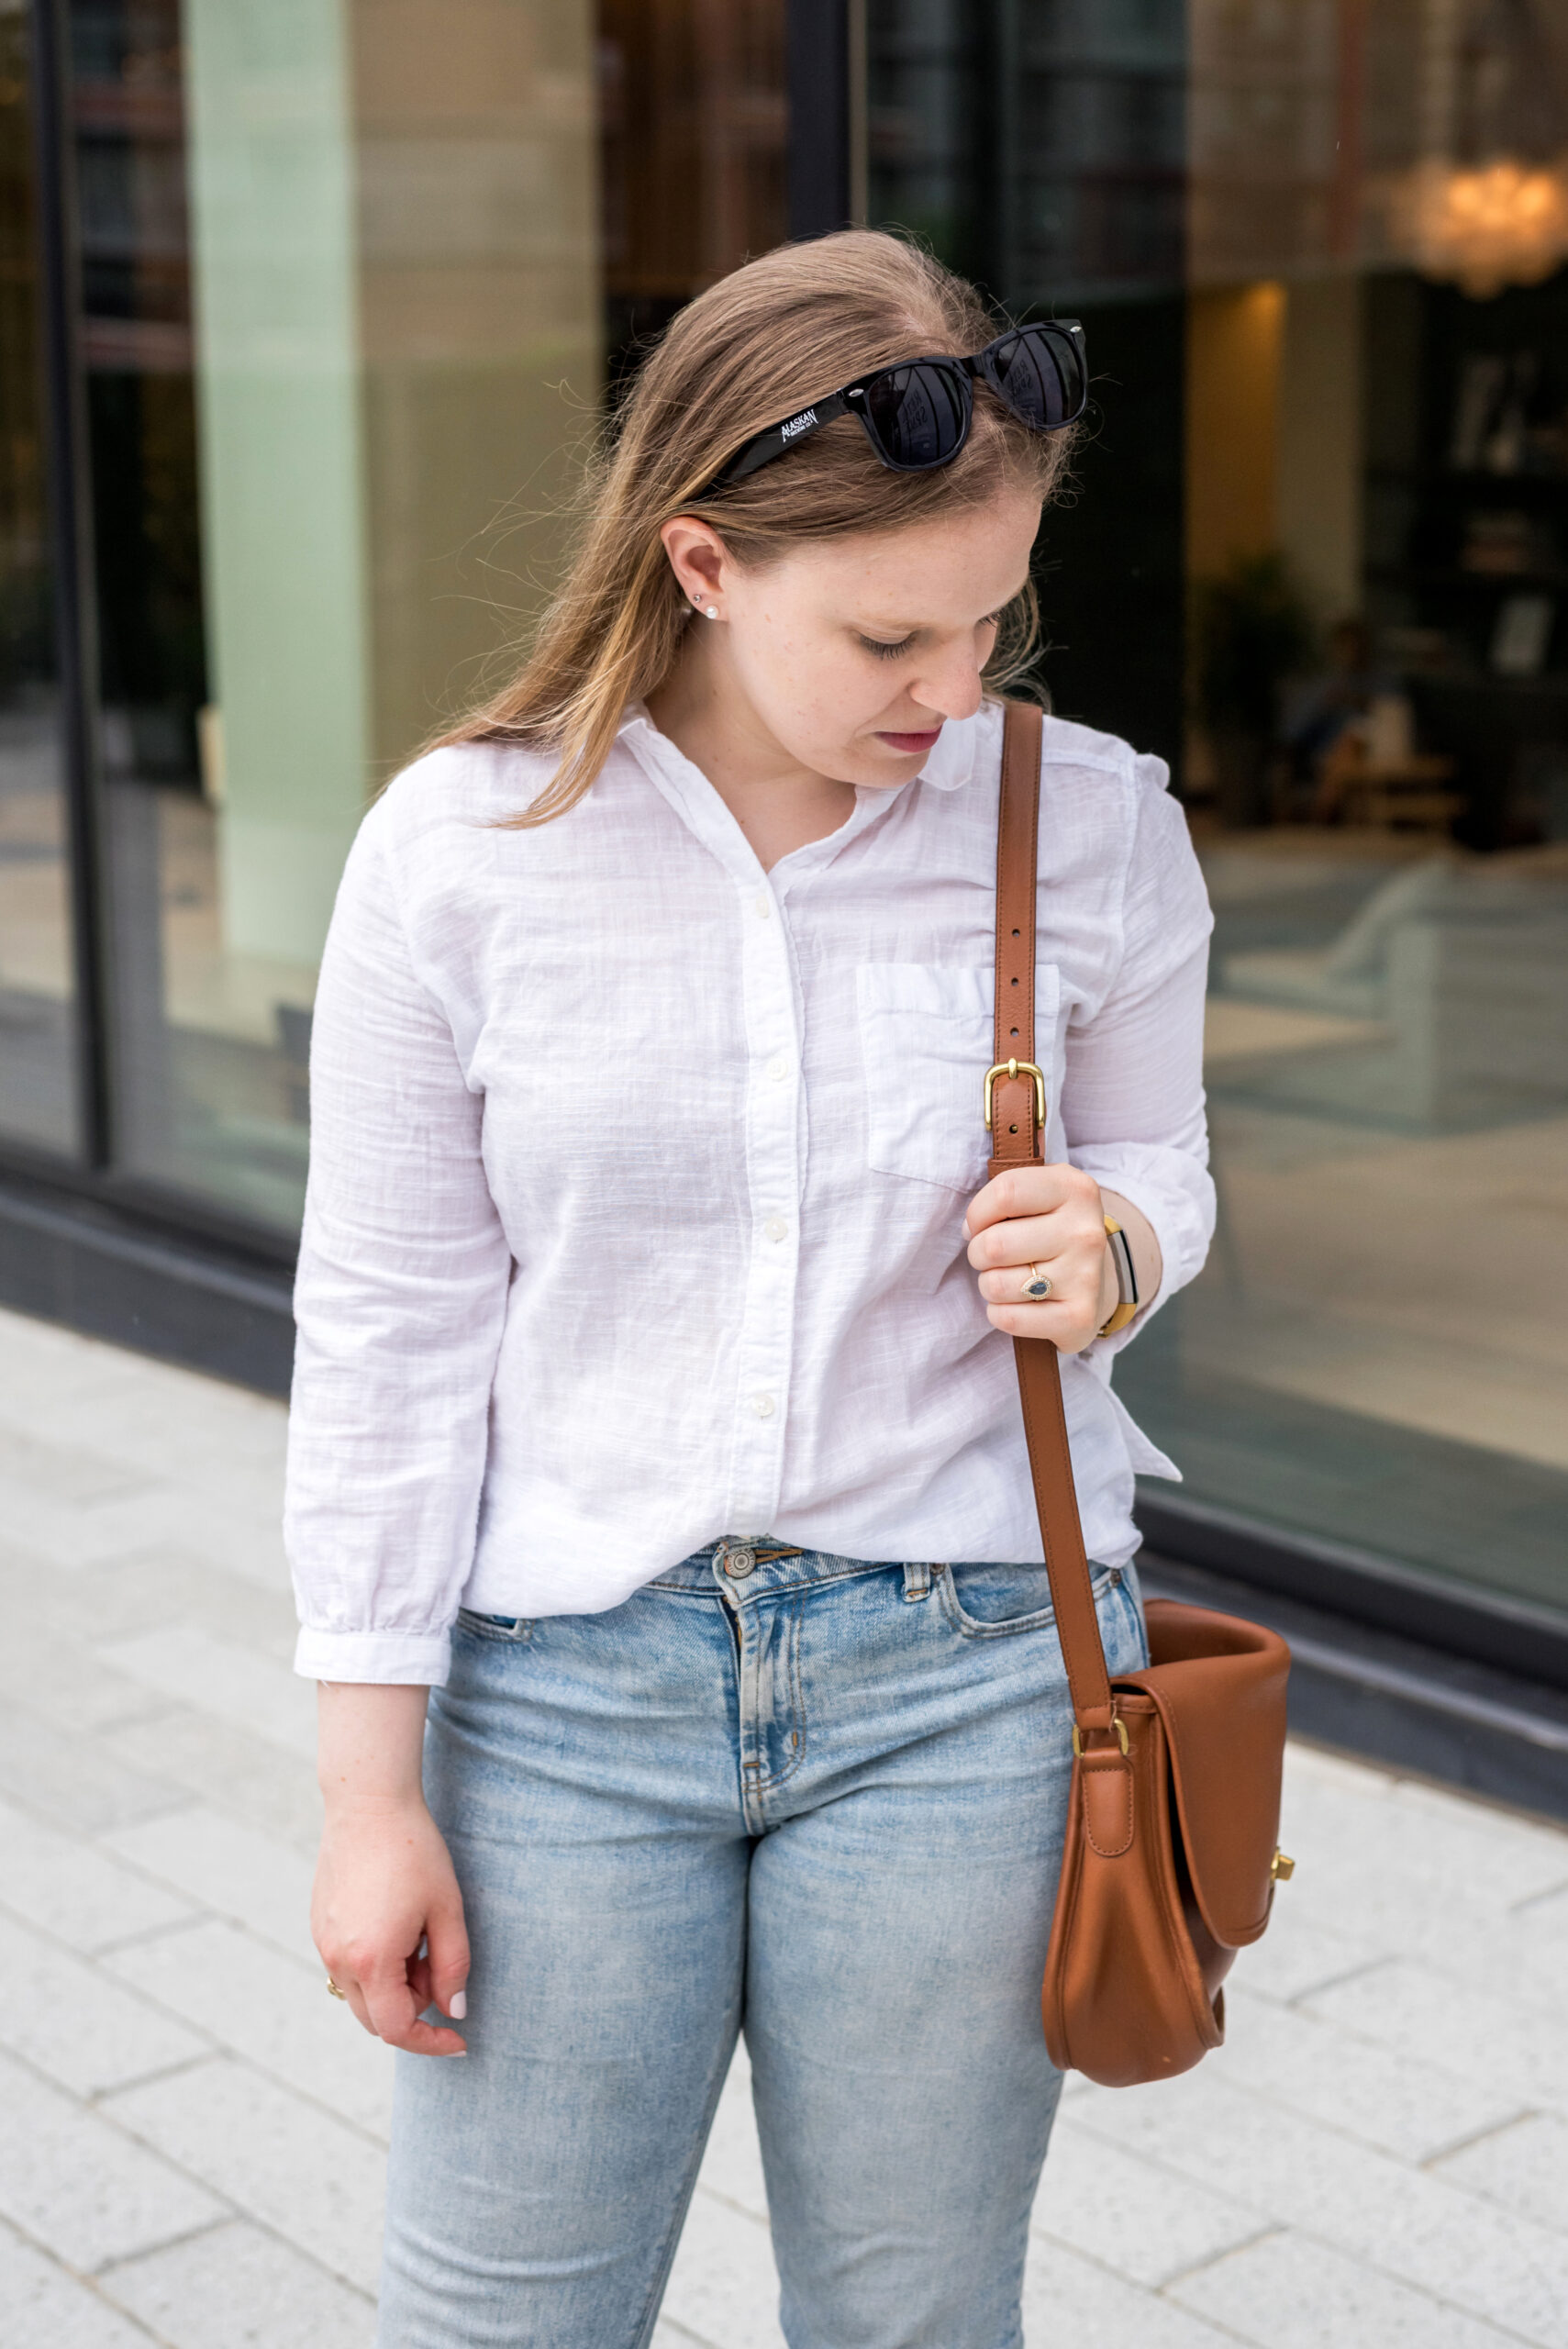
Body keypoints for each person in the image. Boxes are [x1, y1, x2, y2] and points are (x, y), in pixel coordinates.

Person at [288, 229, 1214, 2349]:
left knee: (912, 2319)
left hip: (970, 1674)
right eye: (891, 631)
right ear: (700, 566)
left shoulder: (1090, 824)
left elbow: (1162, 1163)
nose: (953, 689)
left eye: (992, 618)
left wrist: (1122, 1244)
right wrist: (367, 1801)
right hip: (562, 1700)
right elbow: (390, 1336)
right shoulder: (463, 853)